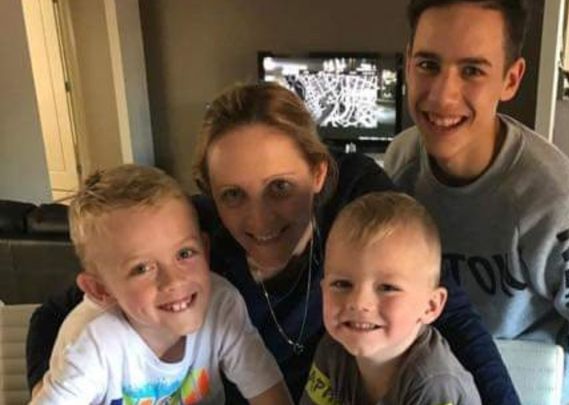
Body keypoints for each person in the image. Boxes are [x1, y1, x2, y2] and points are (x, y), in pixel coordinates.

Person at [26, 82, 520, 403]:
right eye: (233, 195)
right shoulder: (189, 243)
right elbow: (54, 316)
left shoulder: (359, 204)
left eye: (280, 187)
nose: (258, 218)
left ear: (319, 173)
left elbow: (448, 313)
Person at [383, 0, 569, 403]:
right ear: (409, 63)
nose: (443, 95)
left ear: (511, 79)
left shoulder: (560, 203)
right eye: (428, 64)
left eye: (472, 71)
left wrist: (544, 383)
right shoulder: (399, 162)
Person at [31, 165, 291, 404]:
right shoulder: (93, 342)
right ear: (102, 290)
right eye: (142, 268)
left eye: (185, 253)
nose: (174, 280)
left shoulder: (221, 304)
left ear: (205, 250)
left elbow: (271, 396)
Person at [301, 191, 482, 404]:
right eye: (342, 284)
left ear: (430, 306)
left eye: (387, 288)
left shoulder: (434, 385)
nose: (359, 303)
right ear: (323, 290)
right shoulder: (333, 349)